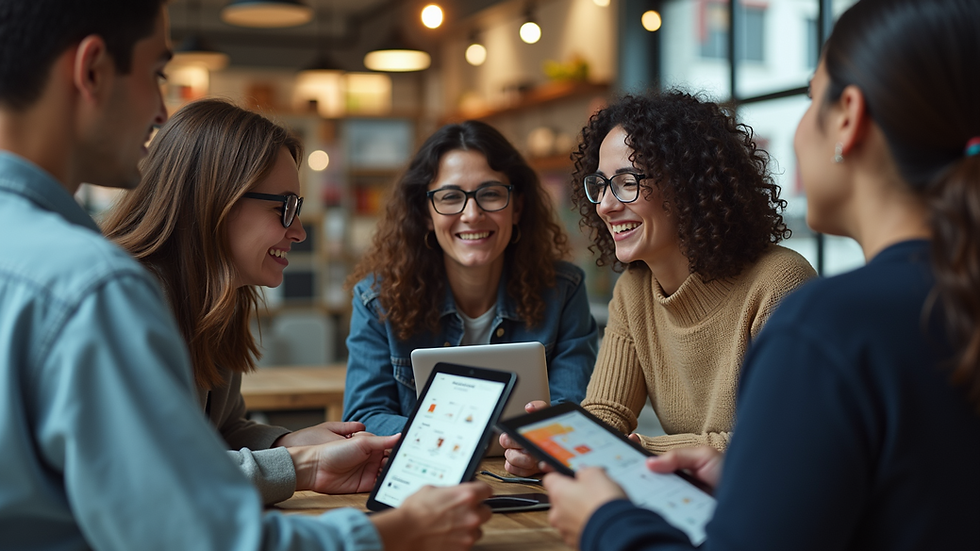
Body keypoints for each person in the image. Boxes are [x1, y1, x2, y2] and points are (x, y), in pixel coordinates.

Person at [0, 2, 491, 550]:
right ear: (91, 70)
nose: (163, 110)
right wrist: (392, 530)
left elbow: (211, 436)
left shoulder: (191, 296)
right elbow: (194, 527)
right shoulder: (96, 289)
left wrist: (293, 445)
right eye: (156, 73)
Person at [542, 0, 980, 549]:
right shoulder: (946, 297)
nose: (607, 205)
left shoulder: (824, 325)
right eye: (600, 186)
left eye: (809, 98)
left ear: (847, 115)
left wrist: (605, 520)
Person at [501, 91, 816, 475]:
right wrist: (557, 445)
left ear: (689, 184)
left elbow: (775, 440)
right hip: (685, 500)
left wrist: (630, 449)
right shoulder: (634, 291)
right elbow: (607, 412)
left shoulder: (779, 283)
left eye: (627, 182)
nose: (605, 205)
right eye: (600, 185)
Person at [100, 97, 373, 504]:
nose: (298, 231)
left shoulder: (212, 296)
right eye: (285, 207)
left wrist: (290, 440)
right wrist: (302, 464)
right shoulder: (125, 301)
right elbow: (159, 474)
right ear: (216, 200)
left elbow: (216, 431)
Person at [343, 119, 599, 436]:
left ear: (517, 206)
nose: (472, 214)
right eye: (450, 197)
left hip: (532, 479)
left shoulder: (564, 291)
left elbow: (571, 409)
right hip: (429, 480)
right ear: (425, 213)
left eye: (490, 194)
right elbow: (363, 417)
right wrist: (463, 436)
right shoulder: (377, 299)